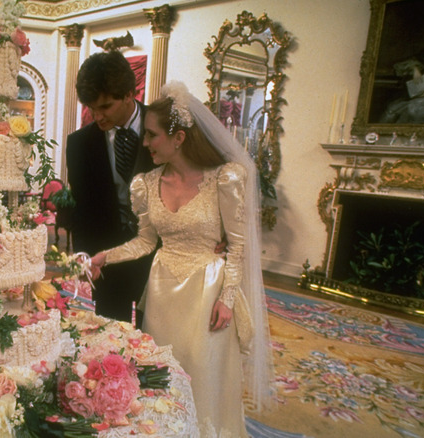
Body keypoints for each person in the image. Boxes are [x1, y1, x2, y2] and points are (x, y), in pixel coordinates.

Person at [90, 82, 274, 436]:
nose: (145, 143)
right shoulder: (145, 183)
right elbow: (145, 242)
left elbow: (238, 246)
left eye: (152, 135)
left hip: (207, 292)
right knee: (162, 373)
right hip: (162, 291)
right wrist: (104, 257)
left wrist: (228, 299)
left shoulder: (226, 179)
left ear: (180, 138)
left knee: (202, 374)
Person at [66, 51, 156, 323]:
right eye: (91, 108)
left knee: (156, 337)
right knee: (111, 339)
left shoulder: (165, 124)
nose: (97, 116)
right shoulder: (79, 143)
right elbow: (81, 208)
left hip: (159, 255)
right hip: (107, 256)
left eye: (105, 106)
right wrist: (84, 257)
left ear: (129, 94)